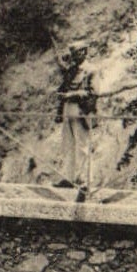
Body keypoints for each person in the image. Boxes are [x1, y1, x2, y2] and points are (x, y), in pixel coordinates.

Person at [56, 44, 97, 188]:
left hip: (81, 110)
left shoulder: (91, 70)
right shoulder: (72, 70)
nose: (74, 56)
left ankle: (85, 180)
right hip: (68, 109)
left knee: (83, 146)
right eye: (73, 53)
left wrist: (72, 94)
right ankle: (68, 178)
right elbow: (64, 82)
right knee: (67, 145)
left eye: (78, 52)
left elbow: (93, 92)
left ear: (84, 52)